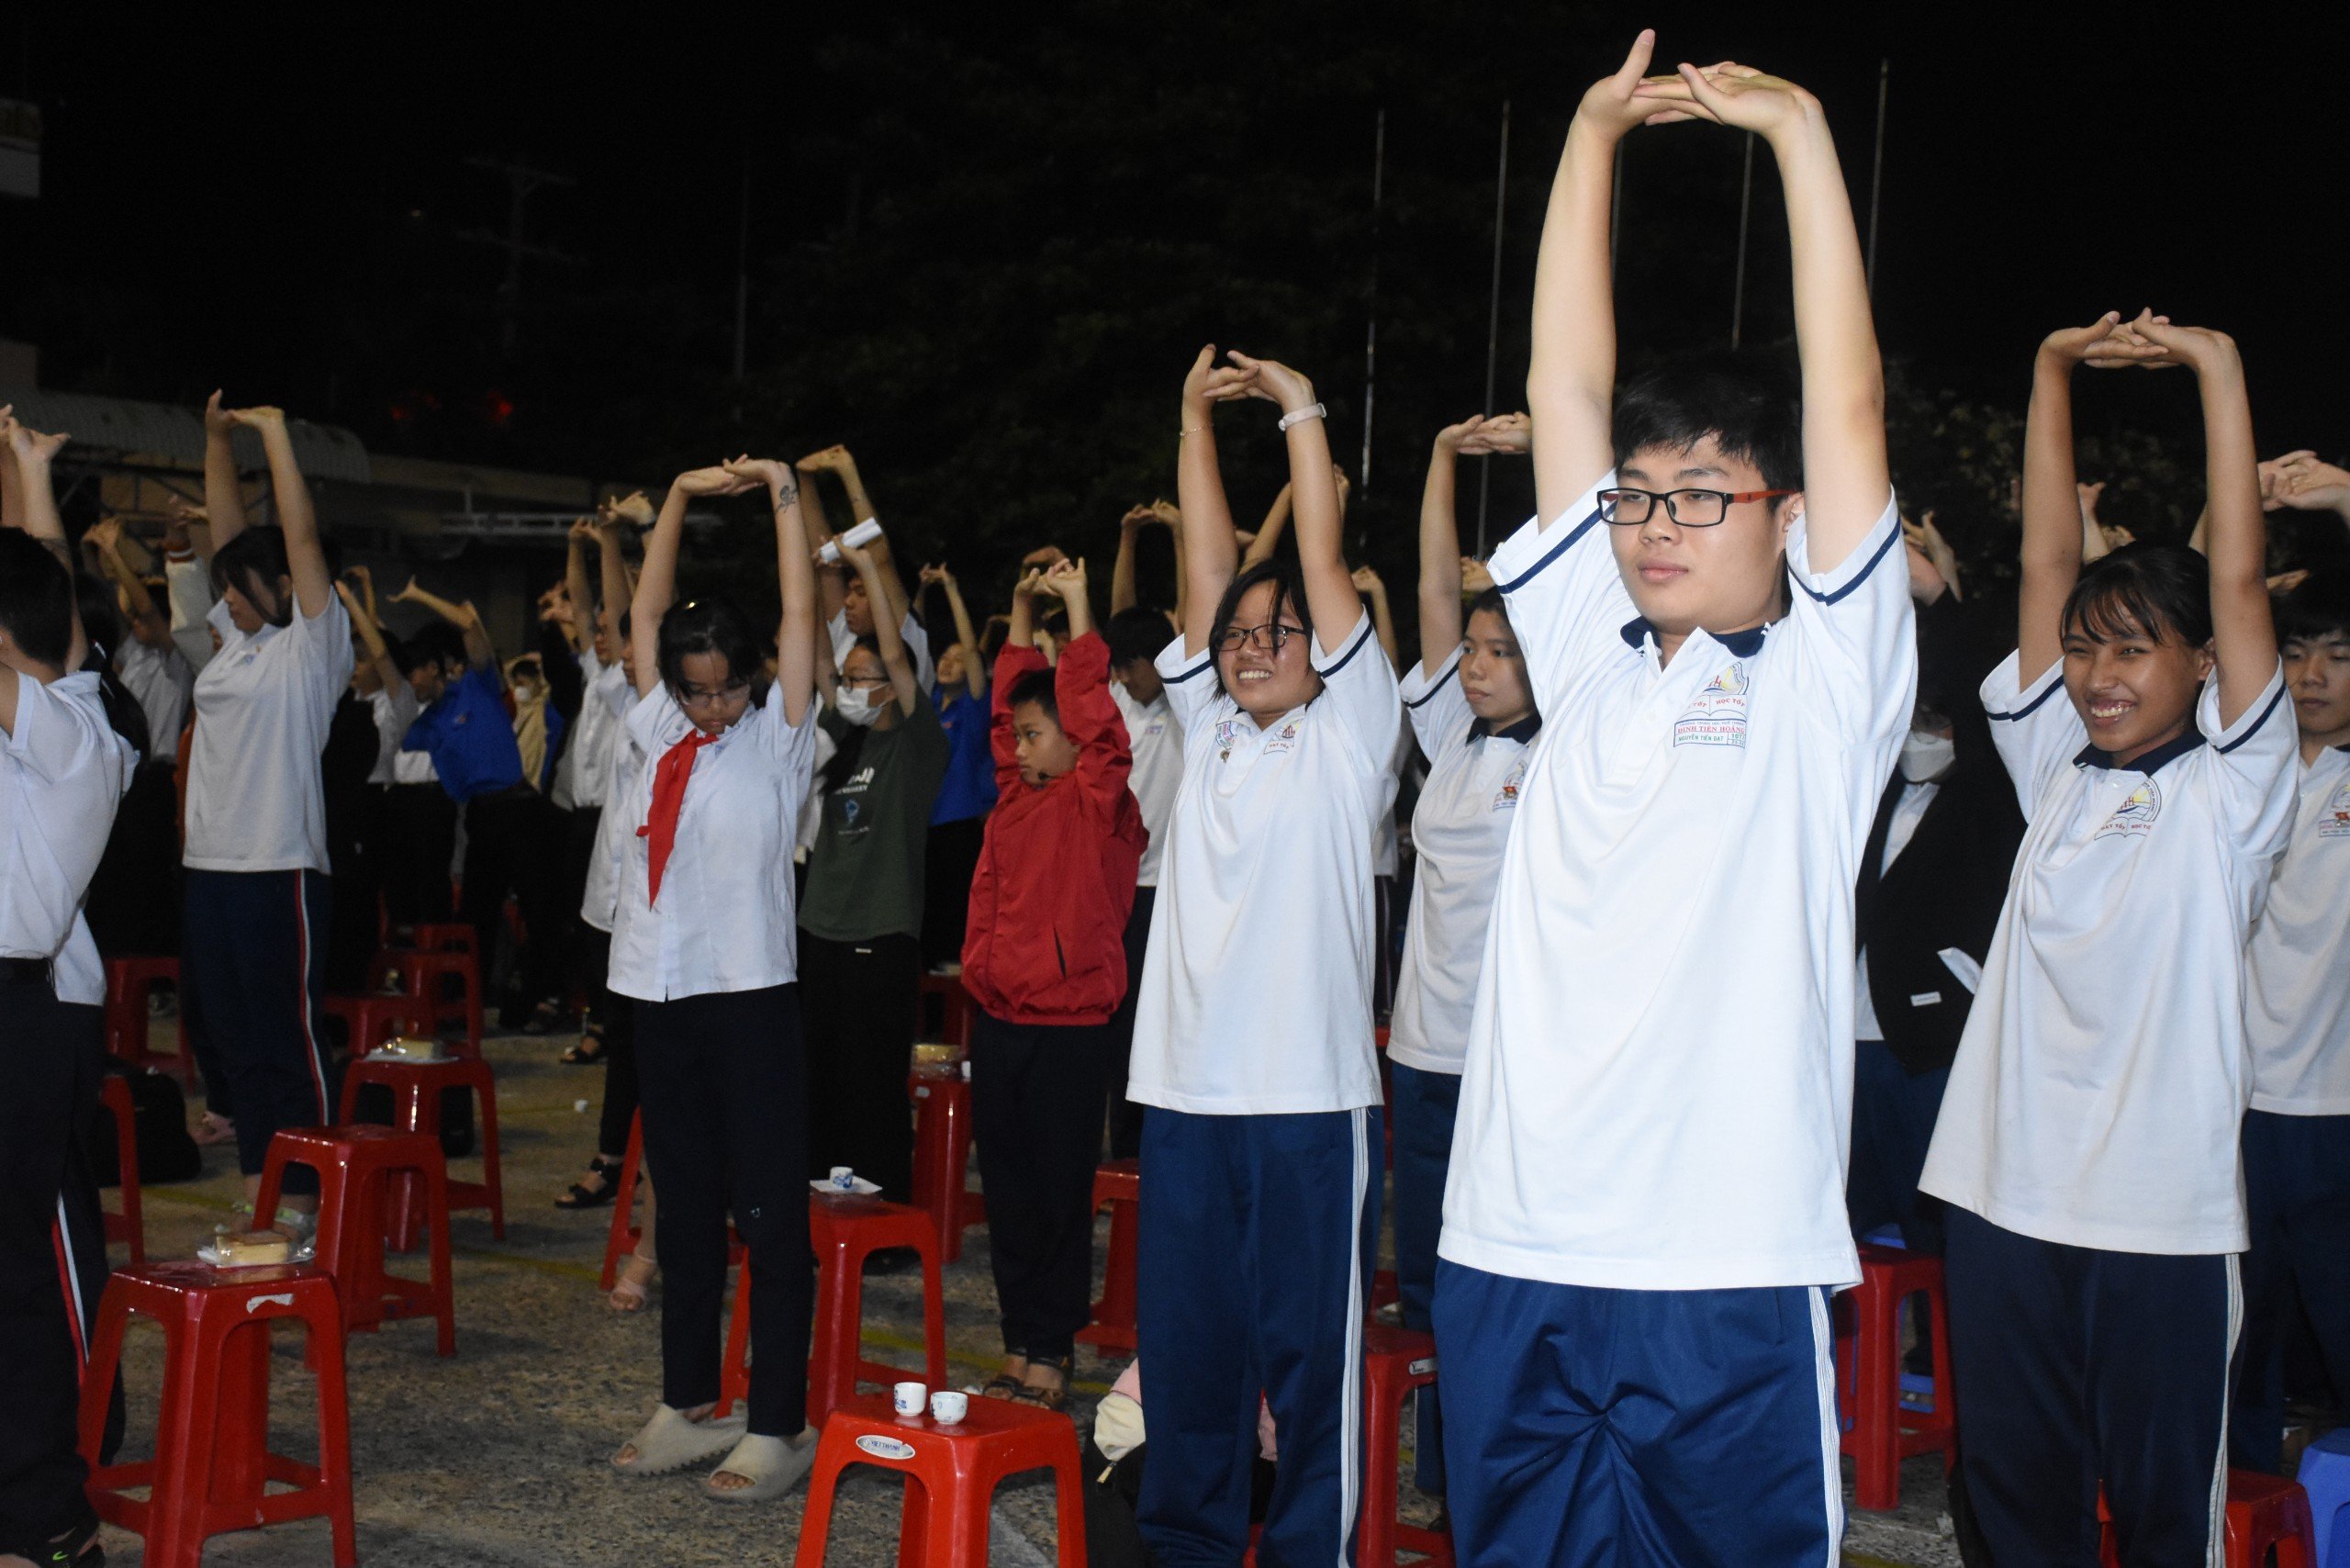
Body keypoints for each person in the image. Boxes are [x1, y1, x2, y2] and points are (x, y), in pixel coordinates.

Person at [1434, 39, 1915, 1565]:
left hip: (1721, 1260)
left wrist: (1799, 132)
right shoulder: (1586, 656)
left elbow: (1845, 403)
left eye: (1701, 494)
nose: (1654, 523)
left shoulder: (1826, 682)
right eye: (1639, 494)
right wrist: (1589, 136)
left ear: (1780, 515)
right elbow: (1559, 381)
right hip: (1514, 1237)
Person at [1919, 311, 2294, 1563]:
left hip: (2160, 1220)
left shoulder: (2233, 794)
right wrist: (2048, 369)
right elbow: (2039, 568)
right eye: (2086, 650)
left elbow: (2237, 577)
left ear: (2202, 666)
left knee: (2156, 1506)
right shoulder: (2052, 764)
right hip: (2002, 1193)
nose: (2098, 674)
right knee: (2013, 1493)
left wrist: (2216, 369)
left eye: (2135, 649)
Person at [1130, 345, 1400, 1567]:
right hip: (1185, 1098)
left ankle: (1309, 1555)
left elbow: (1324, 569)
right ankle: (1183, 1546)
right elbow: (1204, 563)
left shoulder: (1352, 738)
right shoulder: (1210, 731)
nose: (1252, 644)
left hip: (1305, 1105)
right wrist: (1190, 417)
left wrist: (1298, 414)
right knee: (1188, 1356)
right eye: (1239, 632)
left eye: (1279, 631)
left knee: (1310, 1365)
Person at [607, 454, 822, 1499]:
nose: (707, 707)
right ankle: (689, 1398)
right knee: (684, 1207)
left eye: (723, 686)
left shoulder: (777, 736)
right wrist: (681, 501)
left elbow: (794, 607)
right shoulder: (659, 723)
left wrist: (782, 489)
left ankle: (780, 1420)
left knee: (772, 1216)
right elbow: (646, 612)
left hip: (750, 1000)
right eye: (693, 689)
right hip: (659, 993)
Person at [1386, 409, 1540, 1506]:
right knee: (1429, 1286)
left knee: (1495, 1280)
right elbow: (1438, 595)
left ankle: (1499, 1469)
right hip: (1422, 1053)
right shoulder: (1451, 743)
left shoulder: (1568, 745)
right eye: (1477, 654)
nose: (1478, 667)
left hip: (1510, 1061)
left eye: (1503, 653)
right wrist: (1442, 459)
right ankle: (1445, 1474)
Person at [962, 554, 1147, 1409]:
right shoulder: (1016, 794)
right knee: (1007, 1191)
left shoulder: (1099, 800)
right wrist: (1017, 608)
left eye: (1040, 735)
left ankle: (1053, 1347)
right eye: (1021, 737)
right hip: (998, 1022)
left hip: (1071, 1031)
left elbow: (1099, 729)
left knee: (1058, 1196)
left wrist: (1076, 609)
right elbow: (1007, 716)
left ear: (1078, 739)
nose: (1022, 746)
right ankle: (1016, 1339)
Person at [0, 413, 129, 1568]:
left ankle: (51, 1504)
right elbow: (34, 605)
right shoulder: (41, 706)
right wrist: (30, 478)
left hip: (29, 1015)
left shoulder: (78, 730)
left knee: (32, 1269)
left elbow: (43, 620)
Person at [179, 392, 352, 1231]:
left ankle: (310, 1194)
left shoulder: (310, 650)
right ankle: (261, 1179)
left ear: (280, 588)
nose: (229, 605)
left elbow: (299, 539)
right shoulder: (237, 645)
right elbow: (228, 534)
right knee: (233, 1040)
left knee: (286, 1042)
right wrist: (215, 442)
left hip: (276, 867)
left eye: (242, 592)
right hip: (209, 869)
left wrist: (277, 437)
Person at [1845, 537, 2024, 1257]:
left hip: (1932, 1051)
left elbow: (1980, 706)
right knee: (1849, 1235)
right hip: (1846, 1049)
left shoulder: (1992, 797)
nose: (1927, 733)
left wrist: (1937, 598)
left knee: (1940, 1242)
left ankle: (1939, 1361)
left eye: (1938, 718)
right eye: (1916, 716)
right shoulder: (1869, 791)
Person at [2232, 565, 2350, 1473]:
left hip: (2335, 1110)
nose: (2312, 676)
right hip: (2232, 1102)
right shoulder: (2243, 773)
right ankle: (2247, 1499)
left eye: (2338, 657)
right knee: (2243, 1327)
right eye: (2296, 652)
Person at [800, 532, 950, 1204]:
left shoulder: (915, 749)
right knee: (822, 1079)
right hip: (820, 933)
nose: (853, 688)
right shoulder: (841, 742)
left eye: (867, 680)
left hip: (879, 935)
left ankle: (879, 1207)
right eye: (849, 680)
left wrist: (864, 564)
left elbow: (894, 648)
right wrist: (810, 579)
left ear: (895, 685)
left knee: (871, 1081)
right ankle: (828, 1197)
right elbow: (819, 669)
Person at [394, 576, 565, 1031]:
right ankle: (462, 1008)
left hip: (520, 808)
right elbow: (388, 678)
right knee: (474, 919)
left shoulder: (477, 687)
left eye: (417, 671)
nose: (411, 681)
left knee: (540, 910)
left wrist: (420, 594)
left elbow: (471, 625)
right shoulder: (427, 724)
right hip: (481, 818)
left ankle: (541, 1001)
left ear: (438, 667)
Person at [1100, 601, 1182, 1160]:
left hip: (1168, 892)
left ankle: (1159, 1141)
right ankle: (1125, 1146)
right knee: (1119, 1019)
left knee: (1162, 1019)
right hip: (1117, 888)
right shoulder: (1116, 705)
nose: (1125, 677)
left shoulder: (1189, 706)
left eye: (1133, 665)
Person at [918, 562, 995, 969]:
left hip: (959, 829)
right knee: (925, 929)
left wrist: (950, 588)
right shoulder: (928, 705)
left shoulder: (974, 705)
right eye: (942, 658)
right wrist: (919, 593)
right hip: (924, 828)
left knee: (953, 927)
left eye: (957, 659)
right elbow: (913, 647)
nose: (948, 662)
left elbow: (969, 648)